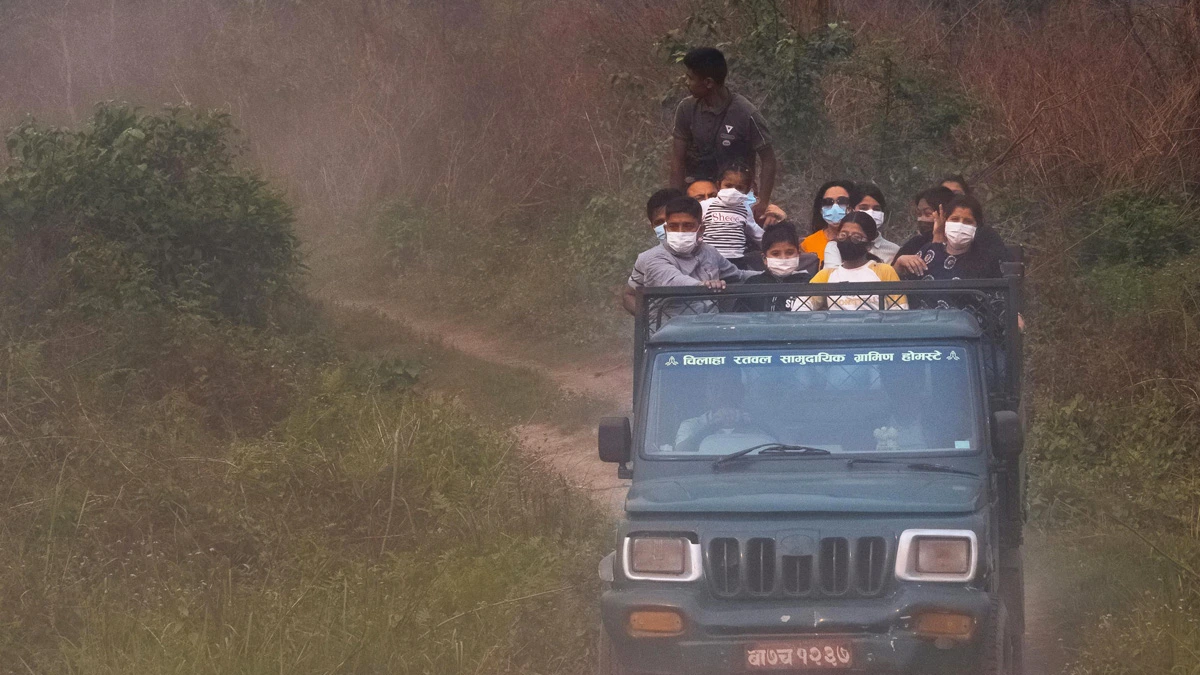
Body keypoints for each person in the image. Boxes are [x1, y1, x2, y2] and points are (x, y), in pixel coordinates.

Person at [670, 47, 777, 223]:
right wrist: (674, 200)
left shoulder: (746, 113)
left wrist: (763, 201)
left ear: (709, 83)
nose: (687, 83)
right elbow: (677, 158)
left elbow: (768, 159)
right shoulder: (686, 109)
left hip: (735, 194)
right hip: (698, 192)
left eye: (691, 78)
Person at [622, 196, 760, 316]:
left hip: (711, 332)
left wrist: (772, 273)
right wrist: (704, 285)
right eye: (674, 226)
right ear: (666, 228)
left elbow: (738, 275)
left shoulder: (710, 252)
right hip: (667, 337)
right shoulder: (652, 258)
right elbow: (673, 281)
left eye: (688, 226)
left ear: (701, 229)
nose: (680, 231)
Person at [809, 211, 907, 311]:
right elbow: (803, 303)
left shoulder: (884, 271)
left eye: (856, 237)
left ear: (869, 245)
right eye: (843, 235)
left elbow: (900, 307)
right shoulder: (826, 275)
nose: (848, 240)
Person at [908, 194, 1008, 281]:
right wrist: (900, 264)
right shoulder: (928, 252)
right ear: (945, 221)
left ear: (977, 226)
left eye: (968, 221)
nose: (960, 225)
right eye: (955, 219)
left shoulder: (987, 261)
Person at [741, 222, 819, 311]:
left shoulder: (809, 283)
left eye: (789, 253)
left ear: (798, 255)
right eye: (775, 254)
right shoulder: (753, 284)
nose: (783, 258)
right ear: (764, 258)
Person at [823, 183, 900, 269]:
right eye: (863, 208)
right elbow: (833, 277)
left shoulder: (894, 250)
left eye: (876, 209)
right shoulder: (835, 246)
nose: (871, 213)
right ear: (850, 210)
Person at [674, 372, 754, 453]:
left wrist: (747, 426)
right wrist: (710, 428)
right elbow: (680, 451)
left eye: (728, 388)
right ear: (706, 393)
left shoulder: (755, 423)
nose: (721, 394)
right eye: (714, 388)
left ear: (740, 391)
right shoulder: (692, 425)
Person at [891, 185, 956, 276]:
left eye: (928, 214)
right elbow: (890, 280)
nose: (921, 219)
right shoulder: (915, 243)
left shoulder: (960, 243)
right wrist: (899, 263)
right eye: (919, 214)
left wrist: (938, 239)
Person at [801, 179, 857, 264]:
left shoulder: (862, 241)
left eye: (842, 201)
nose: (835, 207)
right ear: (820, 209)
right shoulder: (808, 244)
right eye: (828, 202)